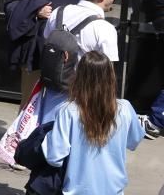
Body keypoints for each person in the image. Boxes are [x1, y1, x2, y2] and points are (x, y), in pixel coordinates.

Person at [43, 51, 143, 195]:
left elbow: (54, 156)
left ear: (79, 77)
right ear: (111, 77)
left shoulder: (67, 110)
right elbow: (134, 140)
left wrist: (46, 138)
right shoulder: (125, 108)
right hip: (113, 190)